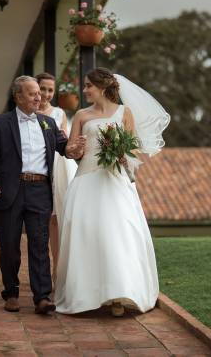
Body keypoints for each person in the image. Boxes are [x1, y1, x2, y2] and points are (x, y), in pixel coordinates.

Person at [54, 67, 170, 316]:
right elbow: (71, 152)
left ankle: (118, 295)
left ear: (103, 87)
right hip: (86, 178)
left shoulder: (124, 113)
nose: (84, 90)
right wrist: (74, 149)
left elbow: (133, 149)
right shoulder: (82, 116)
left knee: (117, 234)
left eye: (88, 86)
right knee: (86, 233)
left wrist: (121, 154)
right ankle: (84, 294)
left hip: (114, 181)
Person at [0, 76, 85, 314]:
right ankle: (11, 292)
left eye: (39, 93)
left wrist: (76, 148)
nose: (39, 97)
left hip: (39, 191)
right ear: (17, 96)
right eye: (32, 94)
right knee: (9, 245)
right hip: (9, 191)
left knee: (39, 244)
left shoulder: (48, 123)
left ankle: (42, 297)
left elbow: (65, 149)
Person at [35, 73, 78, 284]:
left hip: (58, 166)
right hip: (37, 165)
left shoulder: (59, 113)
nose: (46, 94)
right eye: (43, 89)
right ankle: (43, 267)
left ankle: (57, 268)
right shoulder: (28, 112)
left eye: (50, 90)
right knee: (41, 220)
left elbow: (65, 142)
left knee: (56, 218)